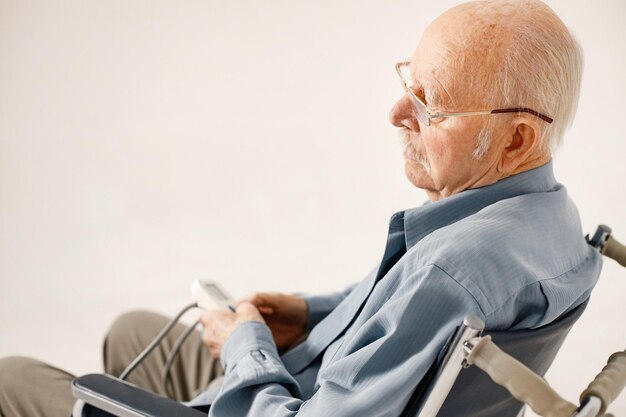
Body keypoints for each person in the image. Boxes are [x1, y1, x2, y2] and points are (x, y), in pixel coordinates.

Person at [0, 0, 603, 416]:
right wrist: (306, 316)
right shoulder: (547, 219)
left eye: (430, 103)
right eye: (407, 83)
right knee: (130, 327)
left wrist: (247, 346)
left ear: (518, 138)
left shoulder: (451, 272)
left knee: (13, 379)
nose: (397, 113)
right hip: (323, 386)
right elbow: (398, 314)